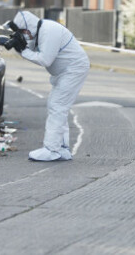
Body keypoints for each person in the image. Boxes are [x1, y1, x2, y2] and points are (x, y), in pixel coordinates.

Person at [11, 11, 90, 161]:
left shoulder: (49, 30)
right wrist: (20, 46)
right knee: (58, 107)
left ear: (29, 27)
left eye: (23, 31)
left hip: (73, 69)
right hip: (65, 71)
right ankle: (62, 148)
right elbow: (33, 49)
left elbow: (44, 59)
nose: (24, 35)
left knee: (57, 106)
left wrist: (23, 50)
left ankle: (51, 149)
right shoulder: (41, 31)